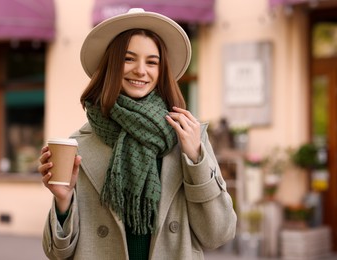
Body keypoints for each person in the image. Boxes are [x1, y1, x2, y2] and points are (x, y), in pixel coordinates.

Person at [38, 8, 237, 260]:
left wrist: (196, 159)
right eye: (128, 59)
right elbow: (56, 254)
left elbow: (219, 234)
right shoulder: (78, 145)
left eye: (152, 62)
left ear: (161, 70)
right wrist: (63, 202)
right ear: (111, 65)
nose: (141, 70)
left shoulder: (188, 136)